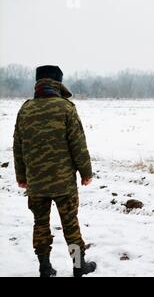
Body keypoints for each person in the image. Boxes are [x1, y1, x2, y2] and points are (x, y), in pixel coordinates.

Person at [13, 65, 97, 277]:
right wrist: (86, 173)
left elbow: (18, 147)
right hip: (63, 183)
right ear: (58, 82)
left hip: (36, 183)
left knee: (40, 224)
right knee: (70, 225)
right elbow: (78, 145)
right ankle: (79, 267)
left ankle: (44, 268)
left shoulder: (25, 109)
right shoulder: (66, 108)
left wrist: (21, 176)